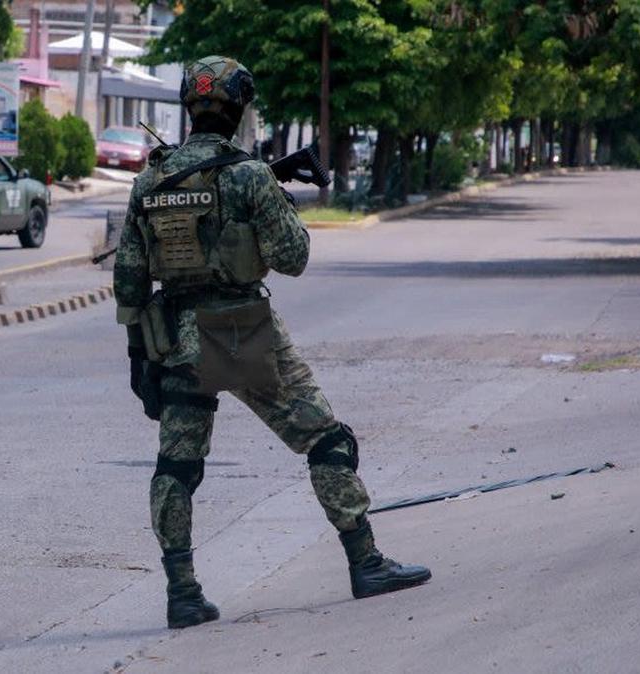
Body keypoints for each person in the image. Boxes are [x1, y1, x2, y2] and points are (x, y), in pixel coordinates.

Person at [113, 56, 431, 630]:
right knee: (327, 441)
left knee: (176, 467)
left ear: (189, 107)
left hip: (178, 340)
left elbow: (130, 283)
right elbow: (294, 258)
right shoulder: (249, 175)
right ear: (238, 108)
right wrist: (275, 200)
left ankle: (182, 593)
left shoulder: (150, 180)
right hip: (246, 333)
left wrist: (141, 359)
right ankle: (365, 562)